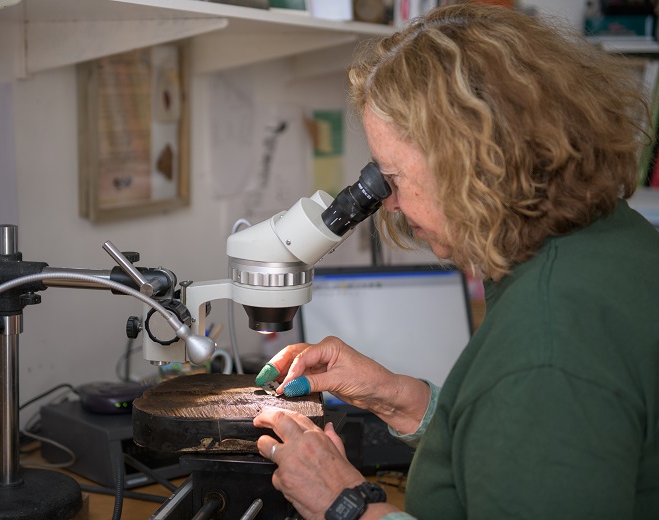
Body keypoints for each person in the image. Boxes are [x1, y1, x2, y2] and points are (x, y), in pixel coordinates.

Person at [252, 3, 659, 519]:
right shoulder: (610, 240)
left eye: (392, 180)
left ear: (470, 165)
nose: (391, 203)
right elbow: (539, 444)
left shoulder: (548, 339)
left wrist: (347, 504)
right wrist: (400, 399)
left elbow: (543, 396)